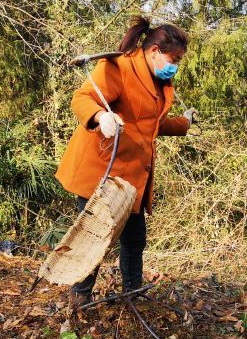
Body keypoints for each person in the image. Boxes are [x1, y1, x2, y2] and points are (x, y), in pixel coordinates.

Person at [55, 16, 197, 307]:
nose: (176, 66)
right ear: (154, 51)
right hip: (102, 171)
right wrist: (100, 116)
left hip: (133, 178)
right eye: (175, 58)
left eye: (180, 60)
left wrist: (184, 124)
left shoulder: (159, 80)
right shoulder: (118, 66)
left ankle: (133, 294)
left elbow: (149, 123)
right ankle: (79, 299)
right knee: (94, 239)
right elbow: (81, 98)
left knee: (134, 240)